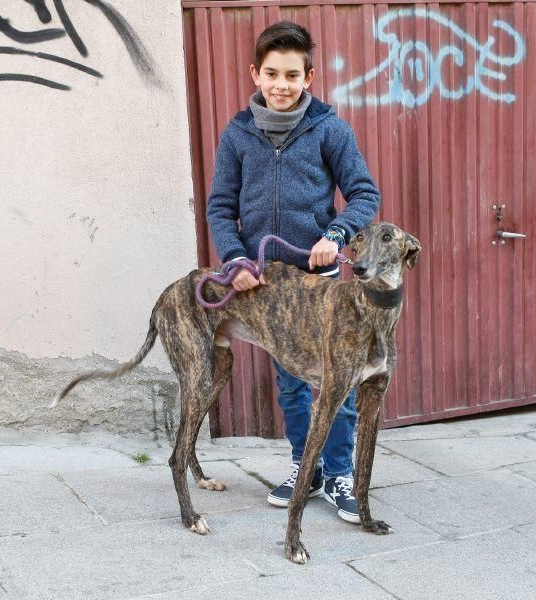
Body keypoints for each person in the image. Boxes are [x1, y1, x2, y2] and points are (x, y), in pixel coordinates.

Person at [206, 21, 380, 523]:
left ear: (309, 77)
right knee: (290, 384)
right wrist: (236, 259)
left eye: (291, 75)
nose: (281, 85)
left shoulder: (330, 130)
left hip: (318, 285)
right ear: (255, 74)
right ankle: (306, 467)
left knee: (337, 383)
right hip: (265, 287)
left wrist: (337, 235)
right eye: (271, 73)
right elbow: (220, 207)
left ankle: (339, 471)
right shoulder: (238, 135)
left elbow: (364, 193)